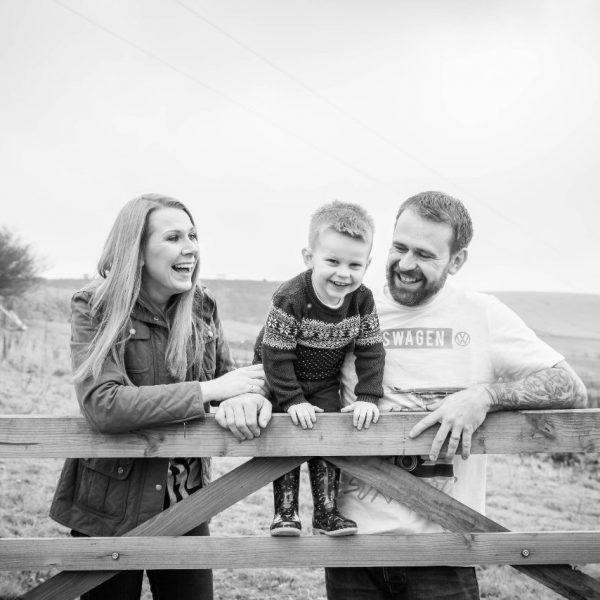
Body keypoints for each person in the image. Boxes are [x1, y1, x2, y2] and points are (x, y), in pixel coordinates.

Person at [325, 191, 588, 600]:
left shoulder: (481, 314)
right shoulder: (348, 308)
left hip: (447, 549)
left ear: (457, 260)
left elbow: (570, 386)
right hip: (353, 546)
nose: (406, 264)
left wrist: (484, 396)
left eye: (425, 255)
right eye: (399, 247)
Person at [49, 194, 272, 600]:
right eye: (173, 237)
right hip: (109, 508)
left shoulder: (202, 306)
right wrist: (211, 391)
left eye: (193, 235)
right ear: (136, 250)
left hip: (187, 503)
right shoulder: (95, 306)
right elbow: (103, 403)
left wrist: (246, 399)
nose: (191, 247)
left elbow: (227, 382)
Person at [257, 201, 386, 537]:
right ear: (308, 257)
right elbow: (275, 354)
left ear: (367, 264)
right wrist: (291, 399)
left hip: (325, 382)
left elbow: (371, 350)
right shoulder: (291, 297)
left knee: (326, 440)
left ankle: (326, 513)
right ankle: (285, 512)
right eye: (332, 261)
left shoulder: (362, 301)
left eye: (355, 264)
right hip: (282, 380)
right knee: (287, 440)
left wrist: (368, 396)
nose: (343, 273)